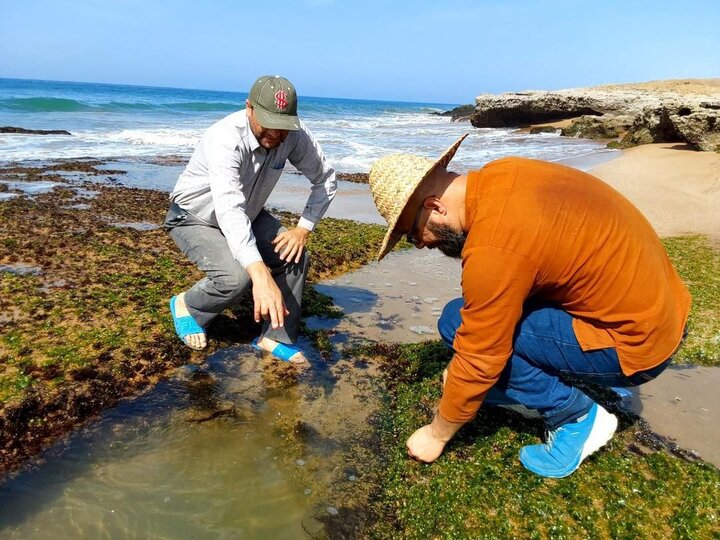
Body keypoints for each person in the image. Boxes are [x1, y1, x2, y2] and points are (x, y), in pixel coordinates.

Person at [368, 134, 690, 478]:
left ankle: (575, 416)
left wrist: (435, 434)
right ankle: (555, 383)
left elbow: (481, 355)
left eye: (411, 232)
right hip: (667, 309)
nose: (418, 245)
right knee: (471, 324)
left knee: (456, 323)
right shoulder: (504, 173)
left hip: (638, 346)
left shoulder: (494, 248)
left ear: (435, 207)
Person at [165, 75, 337, 363]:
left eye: (283, 126)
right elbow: (229, 208)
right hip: (193, 216)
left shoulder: (293, 134)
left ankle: (274, 337)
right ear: (249, 108)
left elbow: (326, 179)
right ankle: (188, 305)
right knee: (237, 278)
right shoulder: (225, 139)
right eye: (268, 122)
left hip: (247, 213)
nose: (276, 133)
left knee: (294, 255)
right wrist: (260, 274)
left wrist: (303, 228)